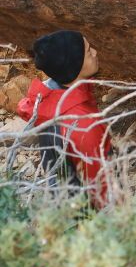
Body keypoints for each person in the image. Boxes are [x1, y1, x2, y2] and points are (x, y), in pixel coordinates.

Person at [17, 30, 110, 208]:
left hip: (63, 203)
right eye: (89, 52)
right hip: (88, 218)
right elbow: (100, 189)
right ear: (74, 67)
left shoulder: (48, 100)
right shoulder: (82, 124)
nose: (95, 53)